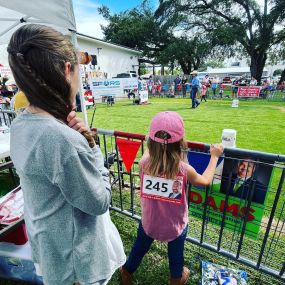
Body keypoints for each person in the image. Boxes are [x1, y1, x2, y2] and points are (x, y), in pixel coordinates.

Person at [7, 24, 126, 285]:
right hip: (77, 267)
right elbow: (99, 202)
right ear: (66, 69)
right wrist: (93, 150)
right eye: (78, 70)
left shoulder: (20, 125)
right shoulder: (63, 140)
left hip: (50, 252)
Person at [120, 111, 224, 285]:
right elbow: (205, 180)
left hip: (149, 223)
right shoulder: (184, 169)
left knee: (139, 249)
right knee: (176, 258)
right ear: (181, 143)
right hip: (175, 227)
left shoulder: (144, 163)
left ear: (151, 142)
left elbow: (149, 151)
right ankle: (176, 279)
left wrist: (154, 137)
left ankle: (127, 271)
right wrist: (214, 156)